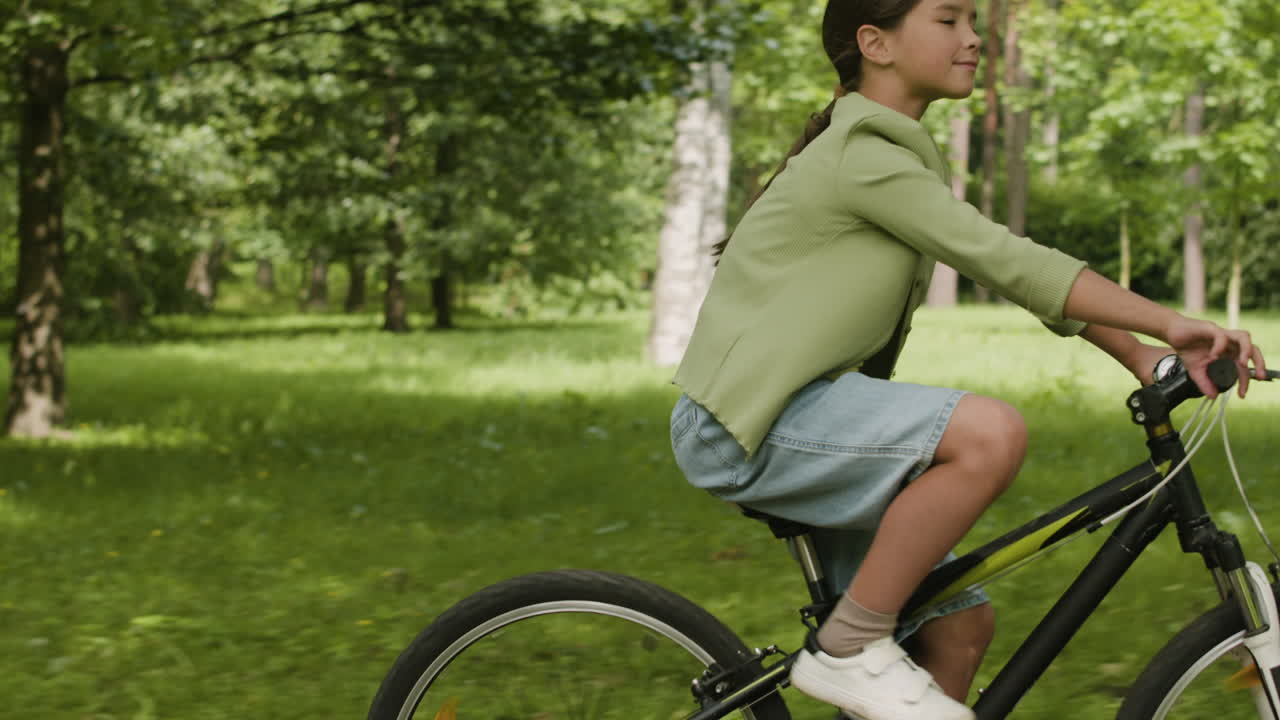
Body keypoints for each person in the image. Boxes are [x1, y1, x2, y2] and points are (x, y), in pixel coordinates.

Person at [667, 1, 1269, 719]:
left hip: (800, 414)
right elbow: (1007, 260)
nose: (974, 38)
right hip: (749, 424)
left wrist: (1143, 356)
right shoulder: (863, 154)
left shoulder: (888, 151)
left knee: (957, 626)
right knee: (990, 434)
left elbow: (1019, 275)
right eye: (948, 20)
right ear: (874, 43)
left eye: (973, 22)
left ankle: (859, 650)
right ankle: (850, 647)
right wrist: (1173, 323)